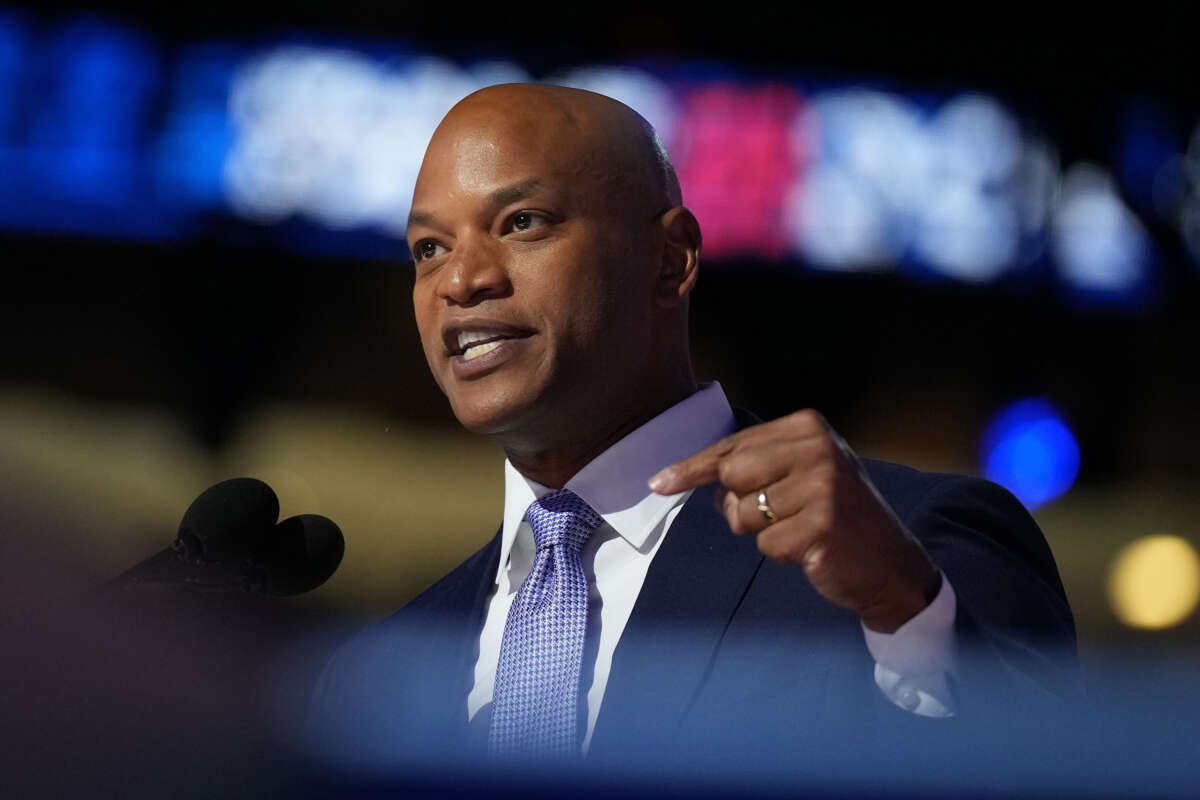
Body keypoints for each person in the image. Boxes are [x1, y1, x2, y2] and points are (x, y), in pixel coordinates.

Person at [307, 84, 1079, 786]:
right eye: (428, 249)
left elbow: (1043, 774)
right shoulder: (382, 672)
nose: (460, 280)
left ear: (670, 259)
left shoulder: (902, 554)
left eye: (522, 223)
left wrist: (903, 611)